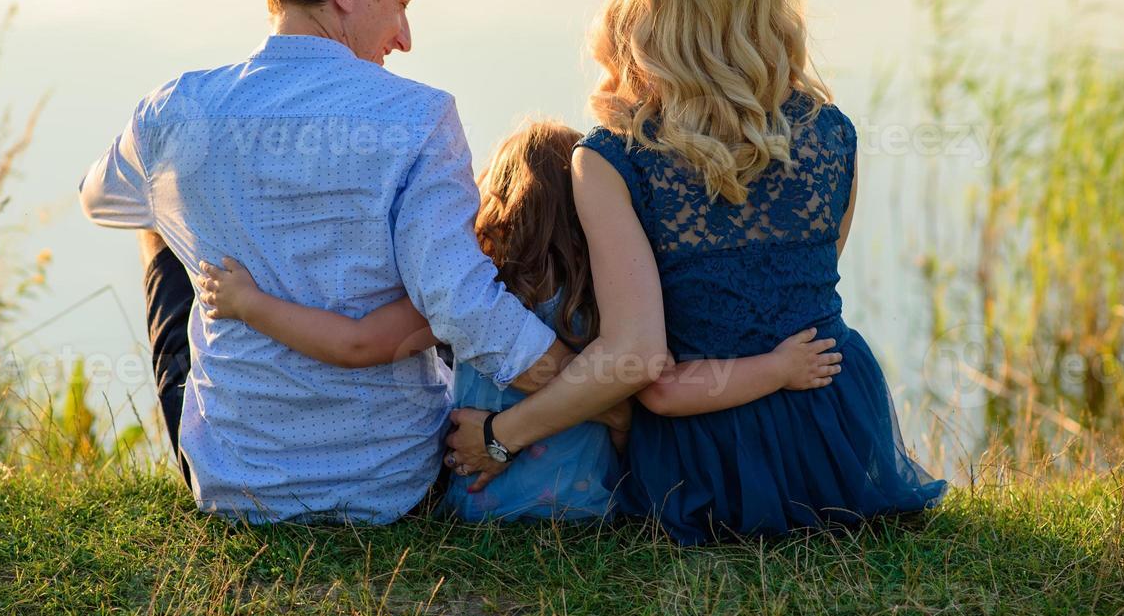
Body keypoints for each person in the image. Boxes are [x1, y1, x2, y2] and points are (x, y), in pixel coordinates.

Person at [447, 0, 946, 544]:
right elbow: (791, 297)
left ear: (645, 8)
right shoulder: (835, 134)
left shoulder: (611, 159)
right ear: (770, 0)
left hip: (706, 463)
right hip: (836, 445)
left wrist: (499, 437)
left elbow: (636, 357)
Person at [78, 0, 585, 523]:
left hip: (234, 483)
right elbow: (460, 303)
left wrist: (207, 218)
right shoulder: (419, 116)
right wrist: (582, 384)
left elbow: (99, 200)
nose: (403, 38)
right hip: (390, 484)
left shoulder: (177, 107)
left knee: (160, 220)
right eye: (400, 4)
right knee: (433, 264)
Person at [196, 120, 843, 522]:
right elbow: (656, 402)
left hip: (482, 505)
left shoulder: (472, 301)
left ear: (495, 210)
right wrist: (776, 368)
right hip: (595, 511)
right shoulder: (611, 313)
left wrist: (251, 304)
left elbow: (361, 342)